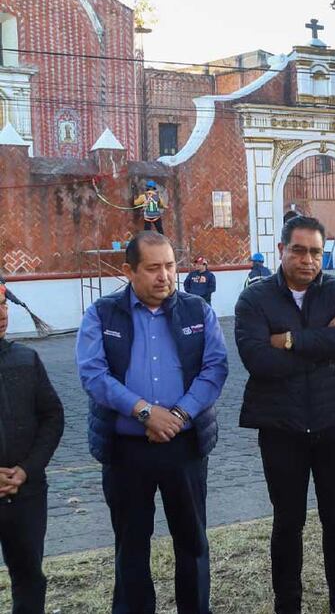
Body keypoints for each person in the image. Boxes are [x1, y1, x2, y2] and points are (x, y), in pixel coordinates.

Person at [75, 231, 228, 614]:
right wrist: (144, 411)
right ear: (129, 271)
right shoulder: (102, 313)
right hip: (127, 449)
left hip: (184, 446)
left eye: (171, 266)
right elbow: (93, 373)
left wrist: (177, 415)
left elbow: (215, 368)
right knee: (131, 545)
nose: (165, 276)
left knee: (192, 543)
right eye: (153, 268)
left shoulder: (198, 311)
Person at [234, 216, 335, 614]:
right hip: (281, 428)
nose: (308, 259)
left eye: (316, 252)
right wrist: (324, 344)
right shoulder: (255, 299)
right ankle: (287, 605)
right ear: (281, 250)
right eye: (299, 249)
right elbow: (257, 360)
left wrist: (289, 340)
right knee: (288, 522)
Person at [0, 283, 64, 614]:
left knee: (29, 577)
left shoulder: (25, 360)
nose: (2, 313)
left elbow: (52, 417)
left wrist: (27, 469)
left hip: (26, 494)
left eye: (3, 304)